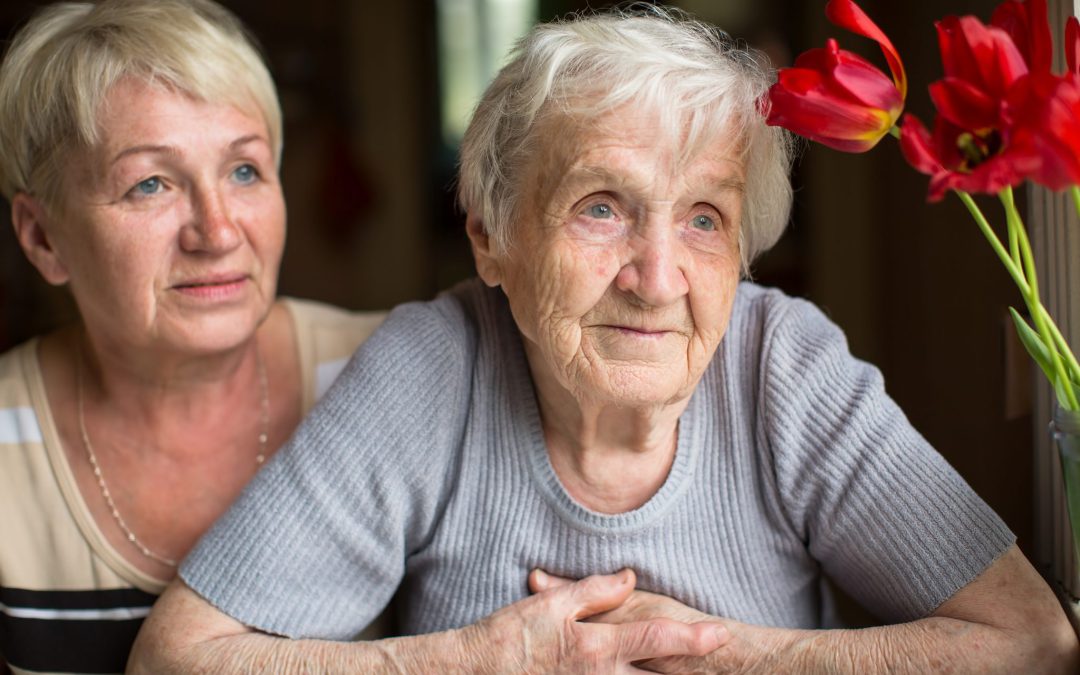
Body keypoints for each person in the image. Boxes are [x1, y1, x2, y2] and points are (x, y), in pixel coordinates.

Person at [130, 6, 1079, 673]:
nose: (657, 278)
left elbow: (1032, 642)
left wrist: (741, 658)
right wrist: (474, 662)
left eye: (704, 219)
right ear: (491, 237)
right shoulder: (432, 368)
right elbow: (179, 658)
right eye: (600, 208)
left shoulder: (781, 366)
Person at [0, 1, 385, 672]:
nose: (219, 232)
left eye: (244, 170)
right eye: (149, 183)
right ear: (43, 237)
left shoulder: (395, 370)